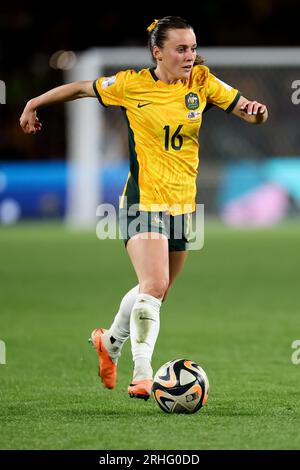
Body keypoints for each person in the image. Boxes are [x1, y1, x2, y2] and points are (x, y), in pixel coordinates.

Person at [20, 16, 268, 401]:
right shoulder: (130, 84)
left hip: (183, 204)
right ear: (158, 52)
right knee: (154, 285)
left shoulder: (201, 82)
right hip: (142, 200)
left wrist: (257, 111)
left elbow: (247, 111)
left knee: (157, 292)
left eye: (193, 48)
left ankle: (110, 342)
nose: (190, 56)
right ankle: (143, 372)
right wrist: (35, 102)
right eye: (181, 49)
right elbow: (82, 88)